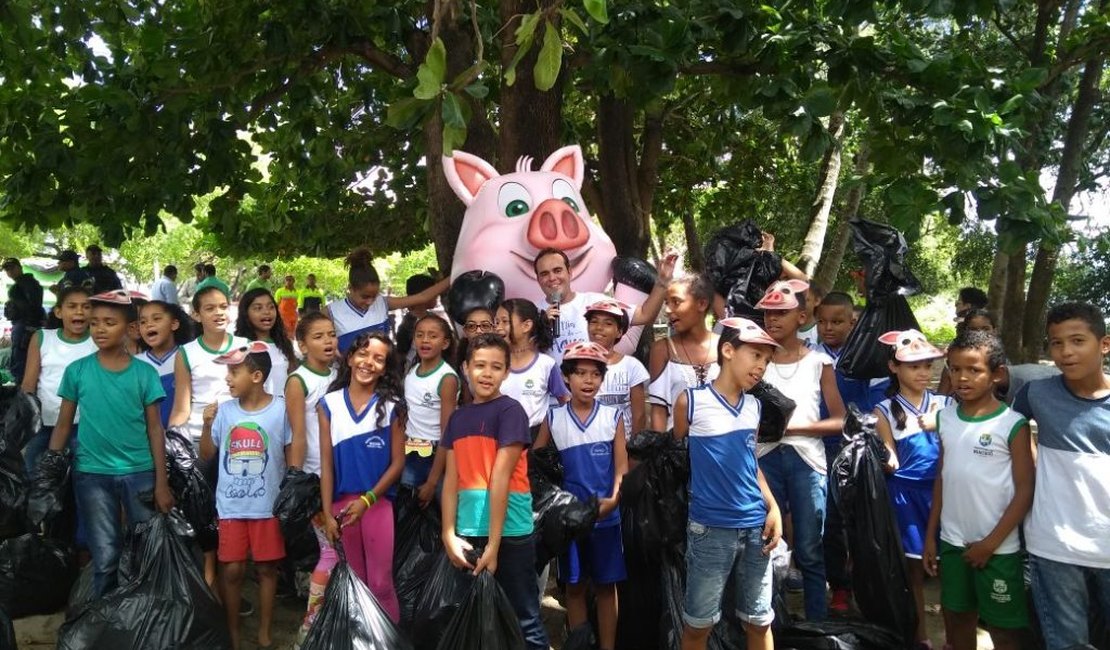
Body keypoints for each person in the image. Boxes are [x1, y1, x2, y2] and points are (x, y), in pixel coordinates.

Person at [45, 290, 174, 596]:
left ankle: (143, 622)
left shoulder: (144, 374)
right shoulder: (77, 371)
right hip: (92, 474)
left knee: (145, 554)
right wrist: (48, 475)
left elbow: (155, 429)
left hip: (140, 472)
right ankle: (103, 624)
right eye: (94, 323)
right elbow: (63, 425)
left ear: (130, 328)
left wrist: (161, 483)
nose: (99, 329)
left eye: (109, 322)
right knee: (105, 557)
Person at [672, 317, 783, 650]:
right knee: (698, 624)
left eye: (766, 359)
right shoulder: (689, 402)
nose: (761, 366)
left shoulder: (754, 406)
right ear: (729, 350)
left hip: (755, 528)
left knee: (759, 620)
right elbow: (677, 462)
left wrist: (773, 506)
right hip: (709, 528)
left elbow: (751, 463)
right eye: (756, 355)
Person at [923, 330, 1034, 650]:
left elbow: (1026, 489)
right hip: (952, 542)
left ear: (997, 375)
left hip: (998, 550)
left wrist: (990, 543)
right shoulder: (945, 419)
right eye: (955, 369)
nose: (962, 378)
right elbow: (943, 477)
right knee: (957, 619)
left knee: (1005, 629)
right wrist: (932, 535)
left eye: (974, 370)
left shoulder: (1012, 424)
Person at [440, 333, 550, 650]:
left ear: (506, 372)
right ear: (465, 368)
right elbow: (451, 480)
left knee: (524, 618)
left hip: (510, 533)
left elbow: (500, 478)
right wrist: (448, 534)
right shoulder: (458, 418)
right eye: (480, 365)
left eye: (496, 367)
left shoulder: (510, 411)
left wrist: (494, 544)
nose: (487, 373)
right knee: (476, 617)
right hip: (468, 533)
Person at [1011, 302, 1110, 650]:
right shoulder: (1037, 394)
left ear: (1104, 344)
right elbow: (1004, 431)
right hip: (1055, 549)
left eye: (1078, 340)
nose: (1066, 352)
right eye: (1056, 343)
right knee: (1067, 643)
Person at [756, 279, 844, 622]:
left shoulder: (819, 362)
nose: (772, 319)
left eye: (781, 312)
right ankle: (771, 626)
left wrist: (790, 429)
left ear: (802, 316)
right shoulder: (756, 360)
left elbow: (839, 420)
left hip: (806, 460)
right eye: (767, 313)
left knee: (809, 549)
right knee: (767, 547)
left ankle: (816, 624)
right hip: (764, 463)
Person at [534, 341, 627, 650]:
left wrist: (614, 499)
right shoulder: (553, 417)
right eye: (580, 374)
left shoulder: (613, 417)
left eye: (595, 374)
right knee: (573, 586)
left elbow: (621, 468)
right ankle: (579, 644)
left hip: (606, 518)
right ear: (566, 377)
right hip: (569, 521)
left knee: (606, 585)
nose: (588, 381)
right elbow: (539, 464)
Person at [200, 341, 290, 650]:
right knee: (233, 569)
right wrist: (207, 424)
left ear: (256, 376)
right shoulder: (224, 411)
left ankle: (264, 632)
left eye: (234, 371)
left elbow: (290, 453)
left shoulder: (281, 409)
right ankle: (234, 634)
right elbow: (208, 454)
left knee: (266, 568)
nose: (227, 378)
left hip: (268, 507)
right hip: (231, 506)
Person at [317, 332, 405, 621]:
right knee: (356, 583)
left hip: (376, 504)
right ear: (351, 357)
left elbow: (397, 463)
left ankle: (389, 639)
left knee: (380, 583)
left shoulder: (391, 406)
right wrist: (328, 513)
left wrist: (368, 500)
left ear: (386, 367)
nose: (369, 362)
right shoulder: (328, 404)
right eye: (364, 354)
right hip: (342, 508)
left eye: (379, 359)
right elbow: (326, 464)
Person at [873, 328, 952, 647]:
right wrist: (882, 457)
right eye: (914, 365)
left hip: (945, 493)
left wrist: (942, 422)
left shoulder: (946, 403)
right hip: (905, 496)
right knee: (914, 571)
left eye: (927, 365)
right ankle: (921, 639)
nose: (923, 372)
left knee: (951, 572)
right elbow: (889, 454)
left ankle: (952, 638)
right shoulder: (884, 410)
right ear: (894, 367)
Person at [169, 283, 248, 588]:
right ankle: (206, 579)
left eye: (223, 306)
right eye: (210, 308)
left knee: (232, 513)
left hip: (241, 446)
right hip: (198, 443)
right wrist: (172, 445)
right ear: (196, 314)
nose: (218, 313)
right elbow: (181, 406)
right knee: (202, 512)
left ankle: (231, 583)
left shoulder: (245, 346)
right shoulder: (186, 353)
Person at [813, 291, 887, 614]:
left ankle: (866, 584)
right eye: (822, 321)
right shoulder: (811, 356)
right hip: (823, 448)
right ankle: (840, 586)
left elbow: (878, 407)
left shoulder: (869, 358)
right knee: (830, 521)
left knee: (862, 520)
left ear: (852, 321)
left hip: (860, 448)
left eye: (837, 321)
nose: (828, 327)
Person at [286, 313, 339, 643]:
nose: (328, 341)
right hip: (315, 478)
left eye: (331, 334)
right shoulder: (298, 380)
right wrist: (295, 482)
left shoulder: (341, 375)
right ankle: (311, 625)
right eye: (318, 336)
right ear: (303, 344)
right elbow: (297, 435)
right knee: (329, 552)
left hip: (342, 474)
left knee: (339, 551)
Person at [534, 247, 676, 363]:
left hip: (593, 393)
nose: (552, 278)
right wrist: (540, 325)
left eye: (557, 271)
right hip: (551, 396)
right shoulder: (531, 314)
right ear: (538, 279)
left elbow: (645, 315)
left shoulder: (595, 302)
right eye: (544, 274)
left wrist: (663, 281)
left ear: (569, 272)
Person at [20, 284, 97, 473]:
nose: (79, 311)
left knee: (81, 478)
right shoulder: (42, 338)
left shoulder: (98, 341)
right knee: (36, 476)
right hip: (44, 423)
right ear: (58, 311)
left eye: (86, 306)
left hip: (84, 426)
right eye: (72, 306)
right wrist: (24, 419)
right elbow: (29, 383)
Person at [324, 248, 448, 353]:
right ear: (351, 288)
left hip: (383, 376)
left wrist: (453, 277)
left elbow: (422, 297)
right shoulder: (331, 312)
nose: (370, 302)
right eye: (365, 297)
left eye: (374, 296)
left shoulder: (383, 303)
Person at [648, 275, 720, 430]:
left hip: (718, 447)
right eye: (666, 302)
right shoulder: (662, 349)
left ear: (701, 304)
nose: (667, 310)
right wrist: (660, 451)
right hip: (676, 449)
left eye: (676, 302)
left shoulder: (724, 346)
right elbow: (658, 410)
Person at [401, 314, 458, 506]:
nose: (425, 340)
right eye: (420, 335)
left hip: (435, 457)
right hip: (410, 452)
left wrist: (433, 481)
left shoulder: (446, 378)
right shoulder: (412, 371)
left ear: (445, 343)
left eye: (433, 336)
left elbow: (447, 433)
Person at [494, 299, 570, 438]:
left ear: (526, 325)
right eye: (497, 322)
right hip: (499, 438)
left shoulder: (545, 364)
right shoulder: (494, 363)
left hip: (535, 441)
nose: (498, 327)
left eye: (505, 321)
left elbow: (565, 401)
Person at [586, 299, 649, 436]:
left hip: (623, 446)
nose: (599, 327)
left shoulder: (632, 367)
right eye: (594, 321)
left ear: (619, 332)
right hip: (588, 446)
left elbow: (639, 416)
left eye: (607, 323)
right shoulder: (577, 365)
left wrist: (634, 452)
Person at [136, 300, 193, 428]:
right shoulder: (135, 363)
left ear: (174, 324)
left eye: (156, 319)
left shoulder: (188, 356)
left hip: (179, 435)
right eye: (143, 322)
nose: (149, 325)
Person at [235, 288, 298, 397]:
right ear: (246, 313)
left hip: (282, 409)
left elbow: (293, 381)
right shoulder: (240, 346)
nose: (267, 312)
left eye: (271, 307)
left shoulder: (285, 344)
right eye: (258, 308)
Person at [3, 257, 45, 385]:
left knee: (20, 357)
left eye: (12, 268)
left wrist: (30, 327)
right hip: (21, 324)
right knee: (19, 356)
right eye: (7, 270)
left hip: (25, 325)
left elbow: (34, 305)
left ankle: (20, 387)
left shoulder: (28, 283)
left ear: (19, 267)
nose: (9, 272)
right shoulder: (22, 283)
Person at [394, 273, 437, 362]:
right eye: (434, 293)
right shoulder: (408, 324)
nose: (437, 296)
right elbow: (401, 353)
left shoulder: (434, 318)